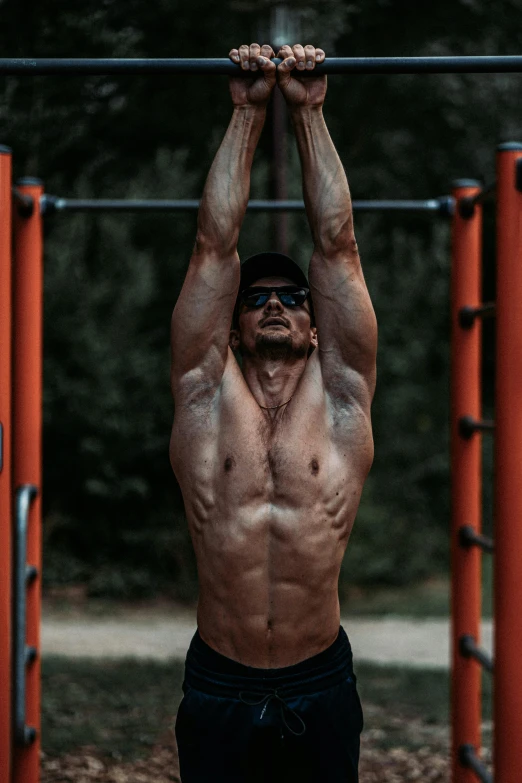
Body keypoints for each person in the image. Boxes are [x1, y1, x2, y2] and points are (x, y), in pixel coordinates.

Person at [170, 41, 377, 783]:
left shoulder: (343, 392)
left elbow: (339, 247)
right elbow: (212, 246)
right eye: (256, 298)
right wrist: (247, 114)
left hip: (319, 678)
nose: (276, 305)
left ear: (316, 323)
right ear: (231, 327)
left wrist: (310, 112)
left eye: (291, 296)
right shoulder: (203, 393)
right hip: (219, 679)